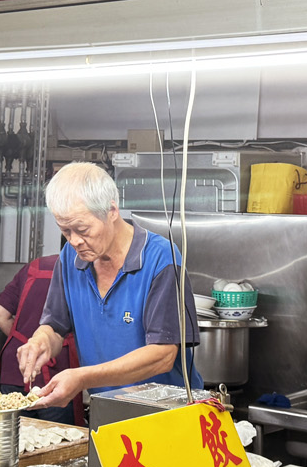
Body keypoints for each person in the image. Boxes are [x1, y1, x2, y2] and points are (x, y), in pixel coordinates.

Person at [17, 162, 201, 412]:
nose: (74, 241)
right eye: (65, 231)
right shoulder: (70, 259)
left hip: (168, 415)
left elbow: (163, 355)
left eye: (82, 230)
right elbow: (55, 326)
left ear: (111, 210)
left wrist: (82, 377)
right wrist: (40, 341)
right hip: (108, 412)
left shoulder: (161, 259)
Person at [0, 253, 81, 424]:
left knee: (13, 441)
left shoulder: (34, 266)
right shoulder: (83, 270)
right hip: (57, 378)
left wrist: (28, 347)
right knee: (56, 442)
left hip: (15, 369)